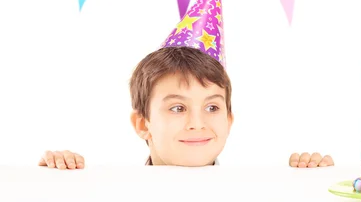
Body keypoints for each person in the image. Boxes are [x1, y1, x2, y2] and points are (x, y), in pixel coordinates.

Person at [38, 46, 334, 170]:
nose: (197, 123)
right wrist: (60, 173)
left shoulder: (254, 195)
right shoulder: (111, 194)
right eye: (177, 108)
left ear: (230, 120)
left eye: (212, 108)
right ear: (143, 124)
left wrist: (309, 183)